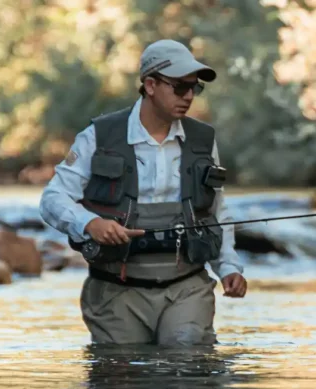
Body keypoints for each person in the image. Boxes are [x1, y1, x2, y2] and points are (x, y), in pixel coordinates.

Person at [39, 39, 247, 347]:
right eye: (179, 87)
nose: (189, 96)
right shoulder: (99, 136)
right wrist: (89, 224)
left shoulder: (203, 140)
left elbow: (217, 210)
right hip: (115, 290)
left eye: (195, 88)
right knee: (123, 379)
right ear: (150, 84)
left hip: (186, 286)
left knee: (187, 362)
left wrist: (228, 266)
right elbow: (52, 199)